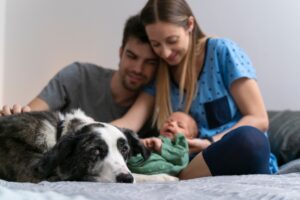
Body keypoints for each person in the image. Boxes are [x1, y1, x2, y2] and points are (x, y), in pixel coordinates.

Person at [112, 0, 278, 179]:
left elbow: (259, 119)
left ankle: (181, 178)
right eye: (156, 44)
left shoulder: (221, 51)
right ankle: (180, 176)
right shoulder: (161, 72)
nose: (166, 53)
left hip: (234, 150)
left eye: (172, 40)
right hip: (187, 161)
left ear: (190, 25)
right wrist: (88, 131)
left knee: (250, 140)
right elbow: (130, 122)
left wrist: (209, 143)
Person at [0, 14, 158, 137]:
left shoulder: (157, 108)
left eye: (150, 62)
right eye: (132, 56)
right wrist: (14, 118)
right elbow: (32, 114)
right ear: (120, 52)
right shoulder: (78, 75)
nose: (138, 69)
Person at [128, 111, 197, 176]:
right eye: (168, 121)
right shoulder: (157, 139)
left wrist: (161, 147)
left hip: (161, 167)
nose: (171, 124)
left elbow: (179, 157)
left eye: (180, 125)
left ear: (190, 137)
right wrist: (143, 143)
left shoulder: (181, 145)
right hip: (142, 162)